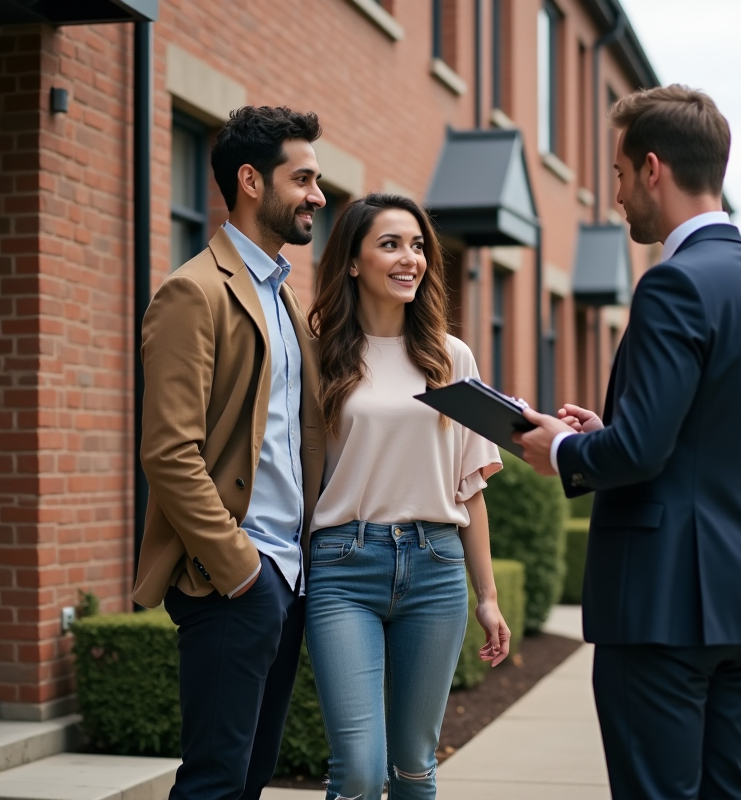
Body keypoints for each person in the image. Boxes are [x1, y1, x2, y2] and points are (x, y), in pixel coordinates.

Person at [515, 86, 741, 800]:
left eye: (616, 175)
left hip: (659, 605)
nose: (614, 196)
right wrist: (611, 437)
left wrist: (560, 450)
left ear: (652, 168)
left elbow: (643, 453)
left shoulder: (673, 284)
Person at [131, 106, 327, 800]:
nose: (318, 195)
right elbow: (169, 452)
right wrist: (240, 568)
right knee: (214, 781)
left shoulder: (284, 298)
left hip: (288, 578)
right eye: (302, 178)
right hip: (234, 581)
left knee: (249, 778)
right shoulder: (193, 292)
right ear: (251, 180)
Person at [305, 193, 510, 800]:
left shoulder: (451, 358)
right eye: (391, 244)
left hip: (436, 568)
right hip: (343, 568)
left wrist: (489, 597)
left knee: (416, 765)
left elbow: (470, 487)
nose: (411, 259)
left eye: (418, 245)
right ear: (351, 261)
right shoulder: (320, 356)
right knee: (362, 771)